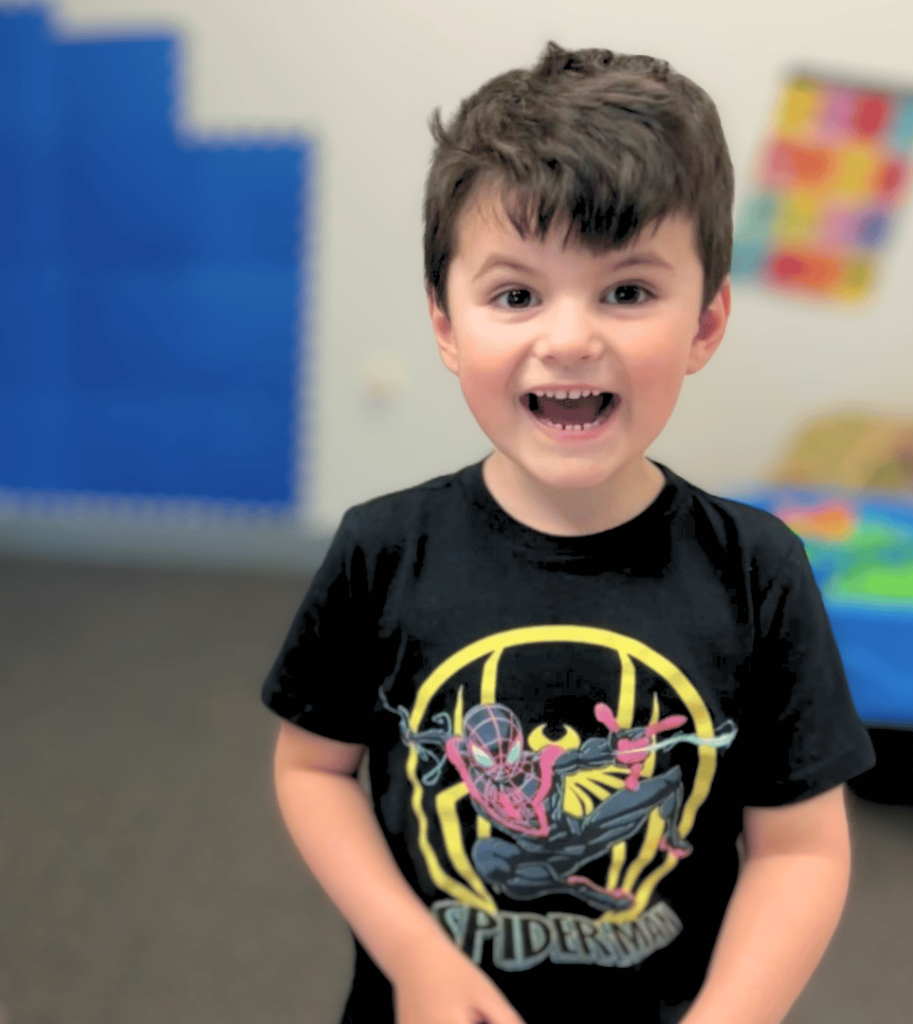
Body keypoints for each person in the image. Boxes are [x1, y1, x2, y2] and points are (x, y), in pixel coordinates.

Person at [262, 40, 876, 1024]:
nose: (568, 336)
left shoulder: (758, 571)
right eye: (515, 294)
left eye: (627, 291)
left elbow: (800, 846)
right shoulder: (382, 550)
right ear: (446, 325)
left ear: (705, 323)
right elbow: (312, 767)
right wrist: (415, 956)